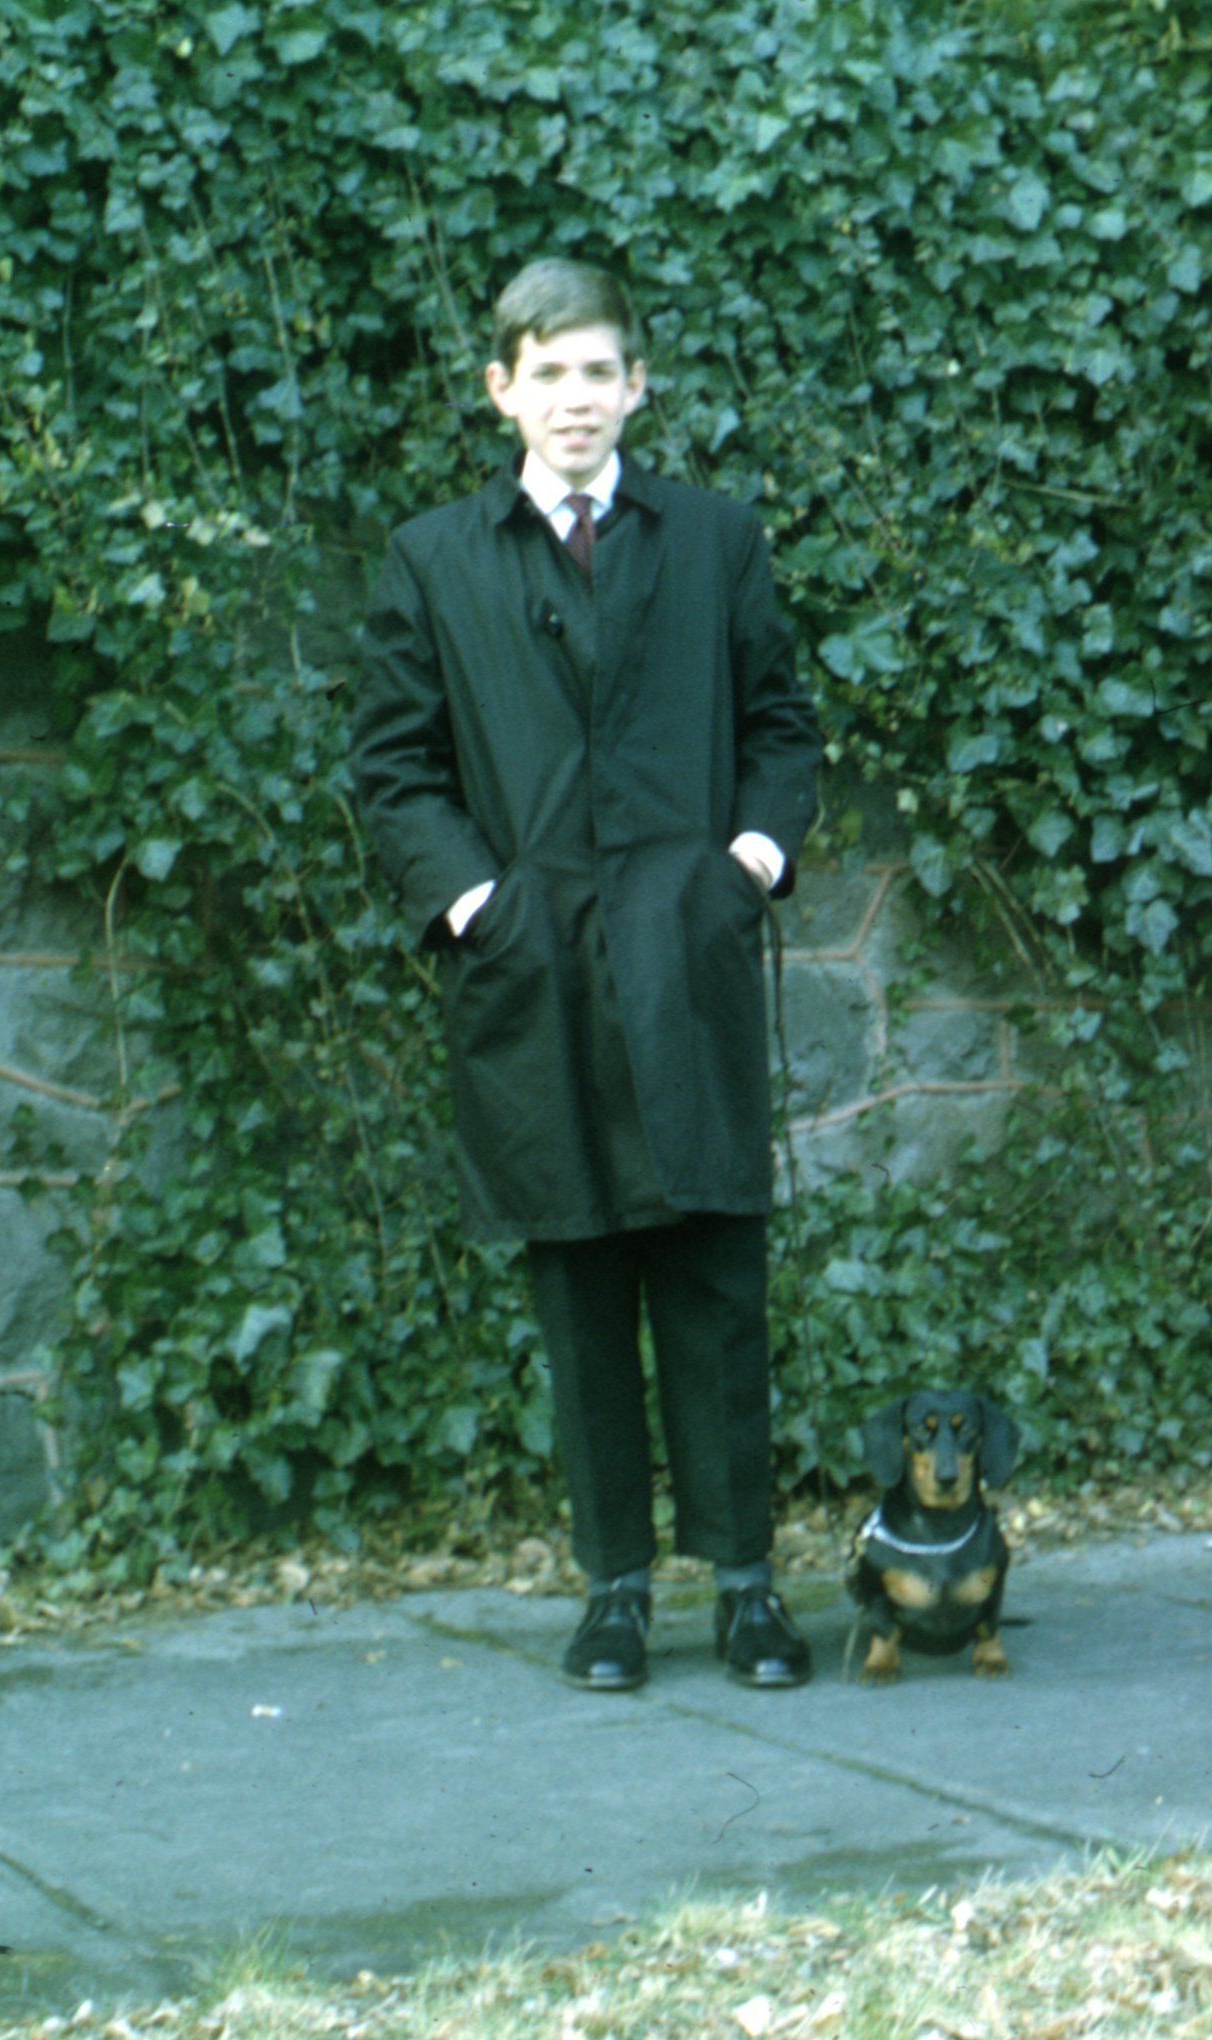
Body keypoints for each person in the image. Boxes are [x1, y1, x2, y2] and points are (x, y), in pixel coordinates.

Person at [351, 256, 822, 1691]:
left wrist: (747, 865)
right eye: (547, 373)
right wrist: (478, 907)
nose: (576, 398)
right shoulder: (437, 558)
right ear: (501, 388)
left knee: (716, 1275)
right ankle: (614, 1591)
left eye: (599, 371)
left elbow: (780, 725)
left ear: (637, 386)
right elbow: (394, 768)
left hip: (688, 954)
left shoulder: (715, 539)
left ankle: (745, 1588)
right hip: (536, 967)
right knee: (579, 1281)